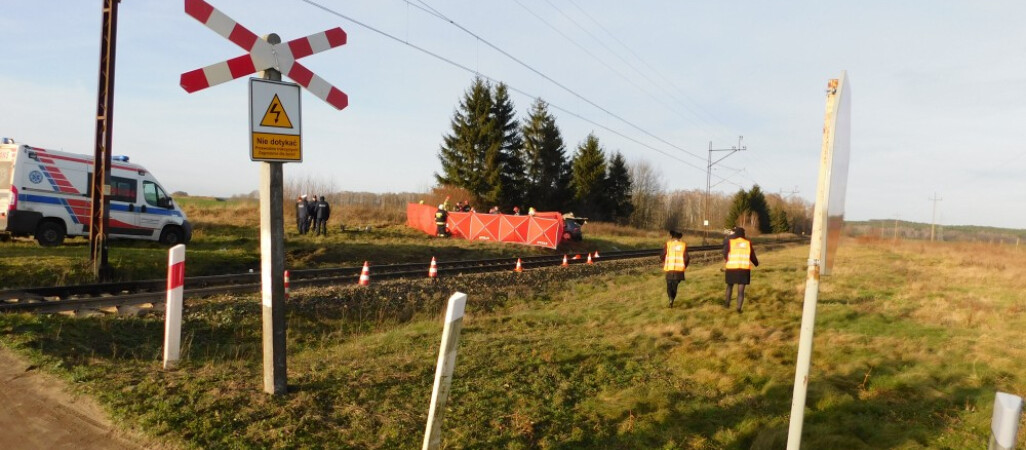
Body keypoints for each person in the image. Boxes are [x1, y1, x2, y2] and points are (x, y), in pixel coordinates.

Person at [723, 226, 759, 313]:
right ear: (743, 234)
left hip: (731, 268)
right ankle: (738, 309)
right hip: (743, 269)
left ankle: (727, 304)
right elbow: (752, 255)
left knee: (729, 286)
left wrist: (728, 260)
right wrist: (756, 263)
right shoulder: (747, 243)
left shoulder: (731, 242)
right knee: (741, 290)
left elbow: (725, 253)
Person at [660, 230, 690, 308]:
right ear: (679, 238)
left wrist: (664, 260)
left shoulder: (668, 244)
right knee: (675, 286)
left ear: (672, 237)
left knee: (669, 285)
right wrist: (684, 266)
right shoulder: (683, 245)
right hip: (679, 270)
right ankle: (672, 298)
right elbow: (687, 258)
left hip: (670, 269)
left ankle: (670, 298)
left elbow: (662, 255)